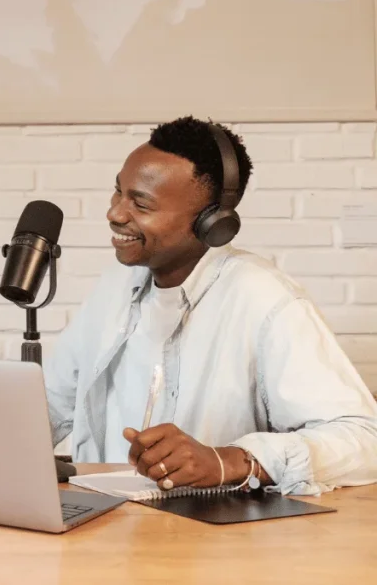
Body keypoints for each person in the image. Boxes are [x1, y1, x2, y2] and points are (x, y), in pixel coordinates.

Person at [44, 117, 377, 495]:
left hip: (220, 542)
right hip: (108, 527)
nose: (116, 214)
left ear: (212, 223)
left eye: (141, 203)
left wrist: (231, 460)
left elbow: (364, 439)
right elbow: (49, 407)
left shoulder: (267, 301)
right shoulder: (113, 290)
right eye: (118, 193)